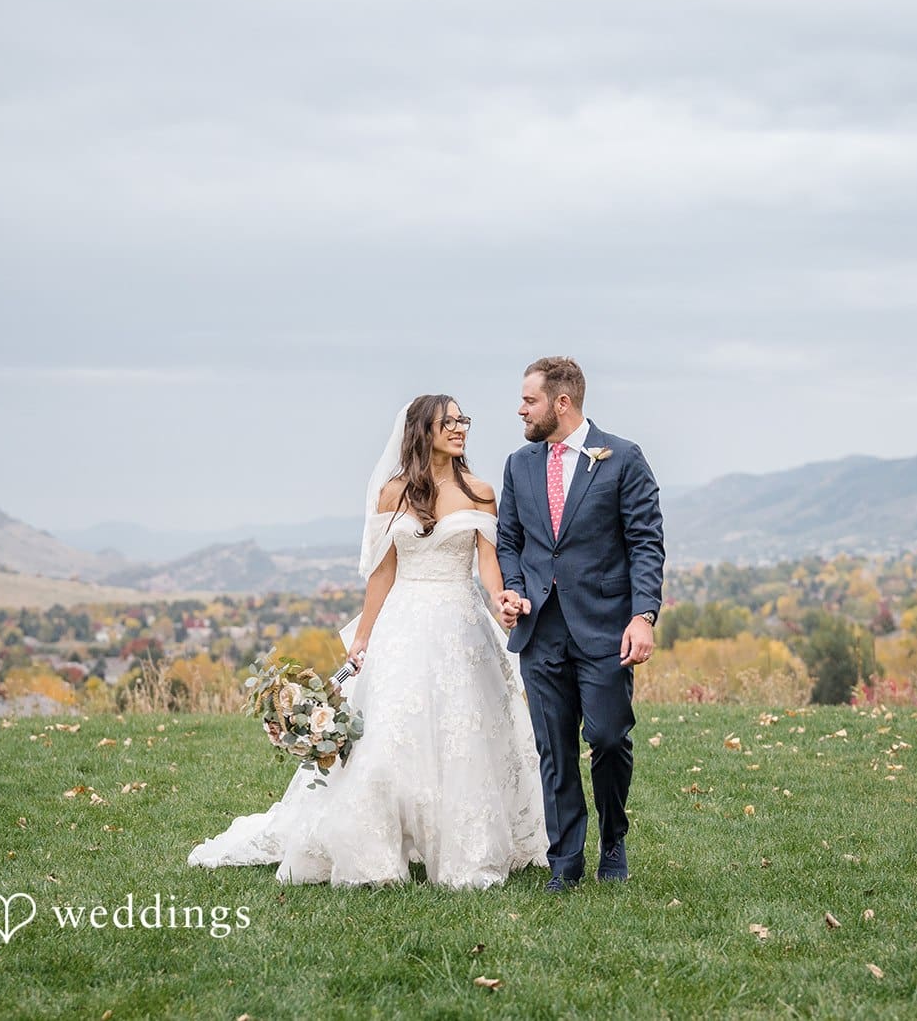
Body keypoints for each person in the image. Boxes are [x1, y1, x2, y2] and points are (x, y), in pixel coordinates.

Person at [188, 395, 548, 889]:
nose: (460, 428)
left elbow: (489, 567)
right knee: (388, 741)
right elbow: (382, 575)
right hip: (403, 624)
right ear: (423, 431)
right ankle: (375, 855)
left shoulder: (481, 492)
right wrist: (362, 639)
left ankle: (467, 852)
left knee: (464, 736)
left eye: (463, 420)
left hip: (461, 627)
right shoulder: (392, 494)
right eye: (449, 422)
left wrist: (504, 601)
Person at [495, 357, 665, 893]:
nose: (520, 409)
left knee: (610, 739)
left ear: (561, 403)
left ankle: (613, 839)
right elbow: (510, 542)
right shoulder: (519, 465)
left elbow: (645, 541)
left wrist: (643, 615)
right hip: (540, 631)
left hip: (606, 628)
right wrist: (516, 591)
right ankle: (564, 860)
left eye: (530, 400)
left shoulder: (623, 458)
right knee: (555, 749)